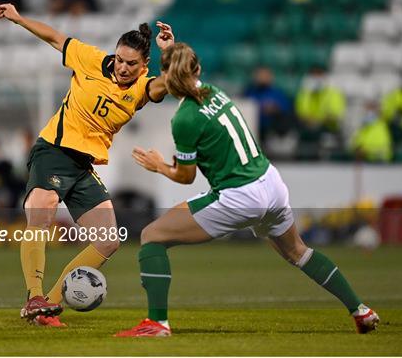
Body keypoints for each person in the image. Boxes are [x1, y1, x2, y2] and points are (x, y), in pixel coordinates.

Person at [115, 43, 379, 337]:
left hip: (239, 195)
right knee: (298, 251)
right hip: (271, 182)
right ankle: (361, 310)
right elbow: (183, 70)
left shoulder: (185, 119)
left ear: (164, 75)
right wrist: (172, 48)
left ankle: (157, 323)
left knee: (152, 235)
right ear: (197, 70)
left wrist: (159, 165)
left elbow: (186, 177)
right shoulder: (214, 91)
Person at [0, 3, 174, 327]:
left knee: (108, 240)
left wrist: (171, 52)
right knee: (42, 209)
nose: (122, 67)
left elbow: (172, 82)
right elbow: (54, 37)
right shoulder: (90, 59)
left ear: (144, 64)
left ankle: (46, 306)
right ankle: (33, 294)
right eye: (119, 59)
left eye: (131, 64)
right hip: (53, 150)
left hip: (82, 166)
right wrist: (19, 19)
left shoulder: (143, 87)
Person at [243, 66, 292, 142]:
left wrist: (274, 109)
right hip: (253, 128)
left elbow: (285, 109)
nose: (262, 78)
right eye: (260, 76)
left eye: (265, 76)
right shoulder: (249, 92)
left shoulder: (277, 93)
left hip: (271, 130)